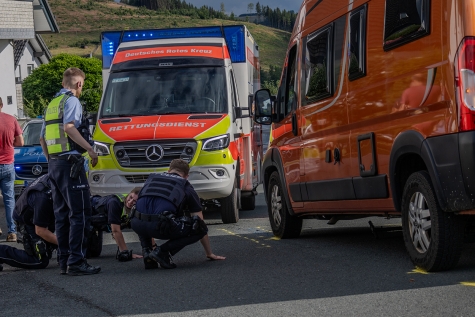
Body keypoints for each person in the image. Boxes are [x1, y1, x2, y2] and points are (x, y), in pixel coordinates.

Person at [39, 67, 100, 276]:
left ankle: (64, 261)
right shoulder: (71, 101)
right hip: (70, 164)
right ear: (79, 84)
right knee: (80, 213)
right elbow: (69, 127)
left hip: (55, 165)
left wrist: (50, 161)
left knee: (61, 215)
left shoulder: (52, 104)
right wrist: (91, 149)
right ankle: (77, 261)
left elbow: (41, 138)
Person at [131, 159, 225, 270]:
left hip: (136, 224)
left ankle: (147, 251)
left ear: (168, 170)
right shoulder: (185, 185)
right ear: (186, 176)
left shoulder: (152, 179)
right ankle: (162, 252)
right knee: (200, 228)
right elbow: (199, 221)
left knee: (144, 214)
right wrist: (209, 253)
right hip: (159, 226)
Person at [0, 174, 57, 271]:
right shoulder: (43, 197)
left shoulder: (56, 177)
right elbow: (40, 231)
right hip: (27, 221)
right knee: (39, 260)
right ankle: (1, 252)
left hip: (40, 213)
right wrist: (66, 244)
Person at [90, 188, 142, 261]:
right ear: (129, 194)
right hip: (87, 217)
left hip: (99, 224)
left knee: (94, 253)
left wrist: (152, 249)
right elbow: (115, 231)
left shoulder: (138, 208)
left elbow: (142, 227)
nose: (130, 202)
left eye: (135, 201)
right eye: (130, 197)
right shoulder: (115, 203)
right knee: (88, 254)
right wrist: (125, 253)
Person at [0, 96, 24, 242]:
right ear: (2, 105)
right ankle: (12, 232)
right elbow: (20, 142)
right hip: (8, 164)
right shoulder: (11, 119)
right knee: (9, 199)